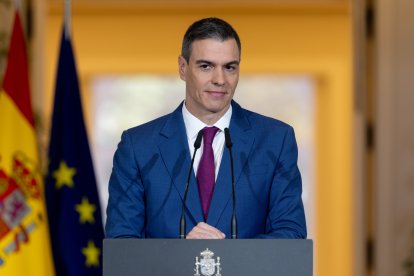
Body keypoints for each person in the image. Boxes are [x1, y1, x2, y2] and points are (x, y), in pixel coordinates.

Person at [105, 17, 306, 239]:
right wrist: (182, 256)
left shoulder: (276, 140)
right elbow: (121, 244)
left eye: (230, 67)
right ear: (183, 68)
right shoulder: (138, 146)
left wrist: (220, 255)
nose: (220, 79)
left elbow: (291, 235)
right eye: (206, 66)